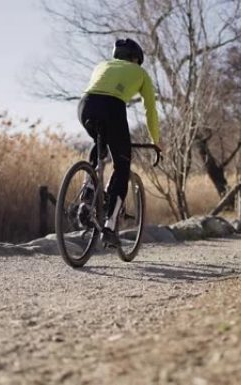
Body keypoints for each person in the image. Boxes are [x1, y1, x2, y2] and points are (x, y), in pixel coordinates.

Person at [77, 38, 160, 248]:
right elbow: (150, 109)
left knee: (100, 143)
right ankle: (110, 226)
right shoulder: (140, 73)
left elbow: (97, 89)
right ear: (135, 59)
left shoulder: (102, 65)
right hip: (112, 108)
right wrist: (155, 141)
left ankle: (88, 194)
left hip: (85, 105)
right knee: (122, 166)